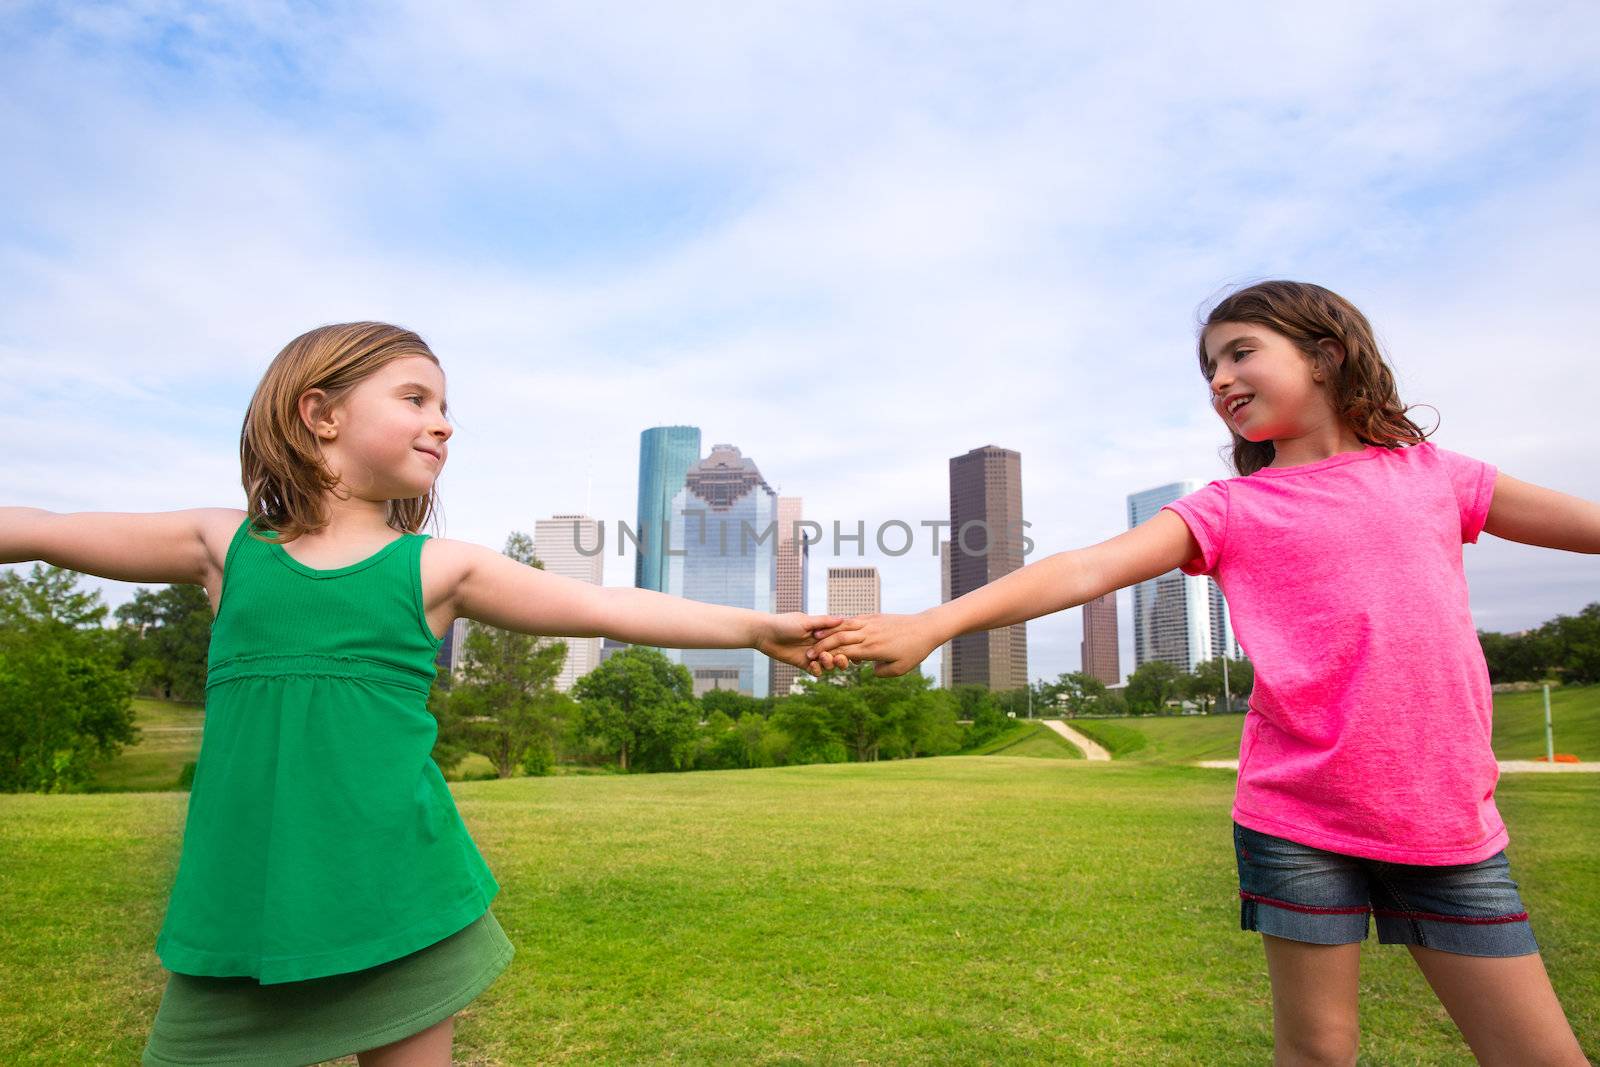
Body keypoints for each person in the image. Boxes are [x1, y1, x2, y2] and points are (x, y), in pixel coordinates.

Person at [1, 321, 848, 1066]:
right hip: (241, 906)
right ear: (320, 413)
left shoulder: (437, 566)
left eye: (445, 408)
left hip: (400, 896)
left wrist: (755, 628)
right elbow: (40, 529)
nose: (443, 422)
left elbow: (605, 604)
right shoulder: (222, 544)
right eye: (416, 398)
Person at [807, 281, 1594, 1065]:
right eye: (1210, 366)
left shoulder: (1436, 476)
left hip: (1445, 816)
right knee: (1317, 1051)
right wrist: (932, 623)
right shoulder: (1230, 508)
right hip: (1297, 821)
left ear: (1327, 354)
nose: (1219, 379)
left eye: (1240, 352)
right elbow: (1084, 568)